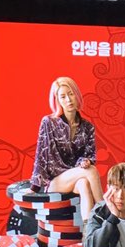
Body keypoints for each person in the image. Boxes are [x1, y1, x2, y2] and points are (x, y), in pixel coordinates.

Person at [29, 76, 103, 219]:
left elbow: (90, 155)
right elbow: (41, 156)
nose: (68, 100)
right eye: (63, 96)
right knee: (92, 171)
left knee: (84, 184)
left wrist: (85, 161)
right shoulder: (49, 122)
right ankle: (105, 210)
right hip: (54, 181)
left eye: (71, 94)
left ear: (77, 95)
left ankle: (89, 229)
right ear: (57, 100)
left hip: (76, 176)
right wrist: (34, 188)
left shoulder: (87, 127)